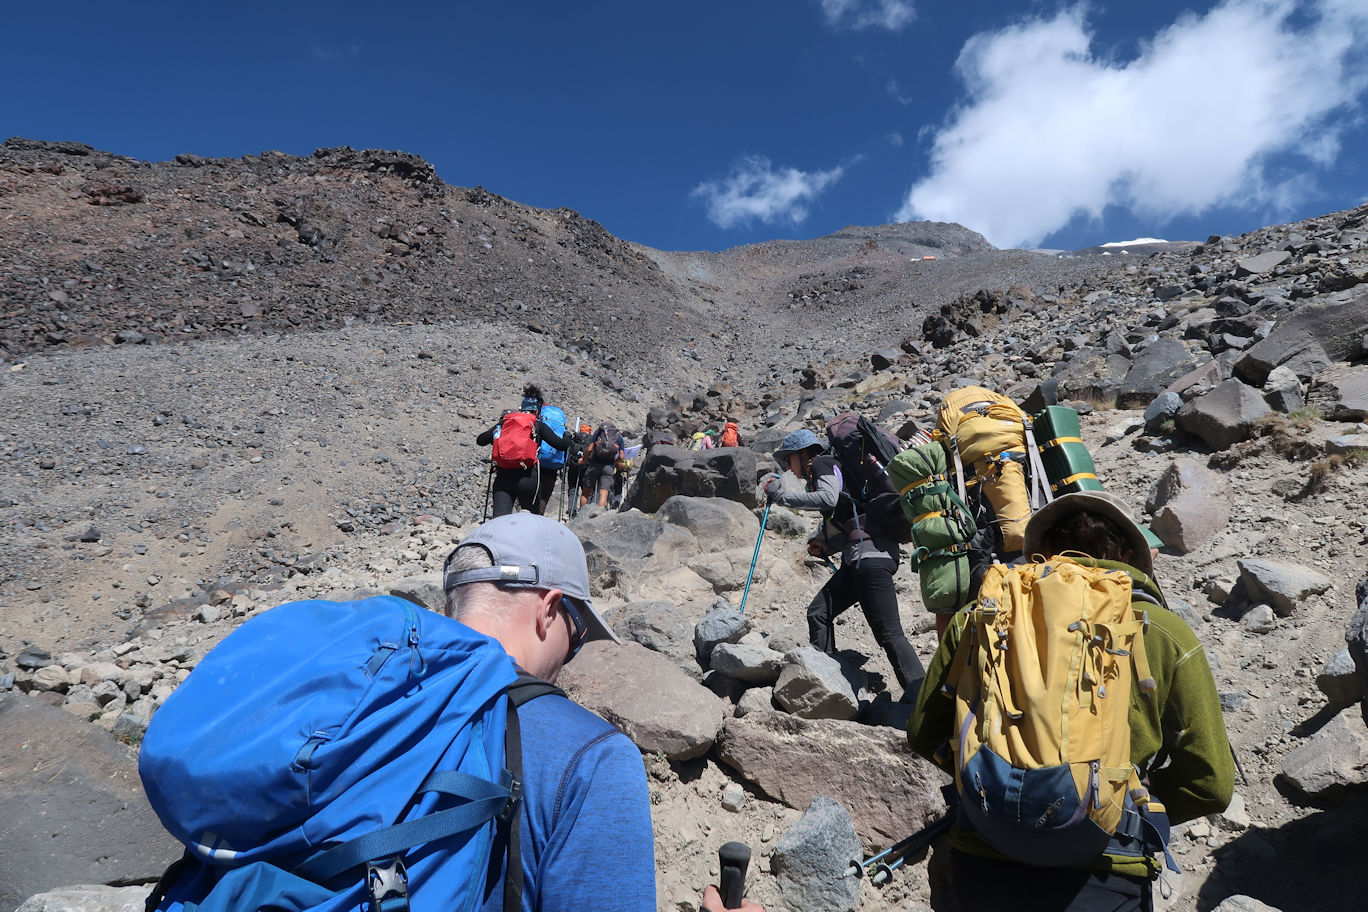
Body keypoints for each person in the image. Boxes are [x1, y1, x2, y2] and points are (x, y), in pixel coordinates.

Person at [906, 491, 1235, 911]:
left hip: (984, 856)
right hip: (1106, 870)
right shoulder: (1165, 632)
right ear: (1132, 555)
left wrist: (990, 782)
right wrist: (1119, 798)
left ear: (1040, 553)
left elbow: (921, 734)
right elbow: (1211, 784)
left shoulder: (979, 617)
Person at [444, 514, 761, 912]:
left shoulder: (366, 701)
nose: (567, 663)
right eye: (576, 639)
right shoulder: (594, 759)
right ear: (549, 608)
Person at [763, 428, 925, 700]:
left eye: (789, 459)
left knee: (890, 635)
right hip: (860, 558)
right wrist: (827, 544)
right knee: (819, 612)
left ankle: (924, 701)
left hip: (869, 559)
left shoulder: (824, 463)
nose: (788, 468)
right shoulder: (827, 471)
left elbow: (828, 498)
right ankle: (827, 683)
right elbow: (851, 518)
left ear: (805, 455)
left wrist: (781, 497)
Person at [475, 385, 567, 517]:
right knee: (531, 521)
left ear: (521, 408)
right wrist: (567, 437)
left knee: (500, 520)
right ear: (538, 411)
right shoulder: (538, 425)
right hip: (528, 477)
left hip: (504, 478)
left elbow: (480, 440)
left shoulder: (506, 422)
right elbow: (561, 445)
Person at [578, 421, 625, 510]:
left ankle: (582, 515)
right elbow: (622, 456)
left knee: (586, 491)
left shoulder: (598, 433)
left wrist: (584, 460)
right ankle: (598, 515)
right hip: (608, 467)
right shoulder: (618, 438)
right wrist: (615, 462)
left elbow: (589, 449)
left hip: (594, 465)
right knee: (604, 492)